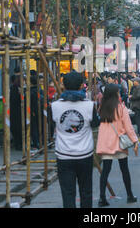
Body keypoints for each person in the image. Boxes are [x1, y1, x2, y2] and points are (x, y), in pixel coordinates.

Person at [51, 71, 100, 208]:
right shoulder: (89, 106)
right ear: (81, 86)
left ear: (63, 86)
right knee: (86, 192)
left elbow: (52, 125)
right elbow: (95, 124)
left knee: (68, 193)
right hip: (85, 155)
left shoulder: (54, 106)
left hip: (64, 155)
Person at [96, 84, 139, 207]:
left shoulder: (102, 107)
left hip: (105, 143)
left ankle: (102, 198)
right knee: (124, 170)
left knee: (105, 171)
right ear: (116, 94)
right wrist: (134, 140)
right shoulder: (121, 108)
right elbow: (128, 127)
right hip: (119, 142)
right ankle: (130, 195)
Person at [10, 71, 23, 151]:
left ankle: (18, 144)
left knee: (16, 128)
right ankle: (19, 144)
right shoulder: (17, 88)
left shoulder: (14, 88)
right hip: (17, 111)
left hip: (15, 111)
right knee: (18, 128)